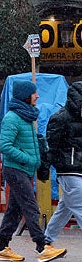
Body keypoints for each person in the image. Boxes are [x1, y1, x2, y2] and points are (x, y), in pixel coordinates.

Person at [0, 77, 67, 262]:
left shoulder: (26, 117)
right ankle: (41, 247)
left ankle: (2, 248)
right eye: (34, 93)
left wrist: (37, 163)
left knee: (14, 209)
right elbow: (5, 146)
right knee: (31, 207)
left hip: (24, 170)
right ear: (25, 96)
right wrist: (28, 159)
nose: (37, 95)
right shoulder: (12, 118)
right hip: (15, 169)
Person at [44, 81, 82, 248]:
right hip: (68, 170)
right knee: (80, 207)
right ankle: (45, 241)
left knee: (64, 209)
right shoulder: (60, 118)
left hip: (76, 170)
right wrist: (44, 167)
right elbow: (50, 146)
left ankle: (46, 241)